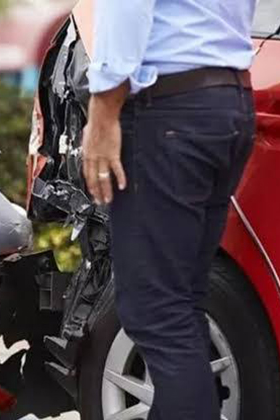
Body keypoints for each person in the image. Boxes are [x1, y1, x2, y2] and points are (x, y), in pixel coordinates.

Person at [81, 0, 256, 418]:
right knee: (181, 305)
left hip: (171, 112)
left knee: (156, 312)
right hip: (229, 103)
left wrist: (103, 111)